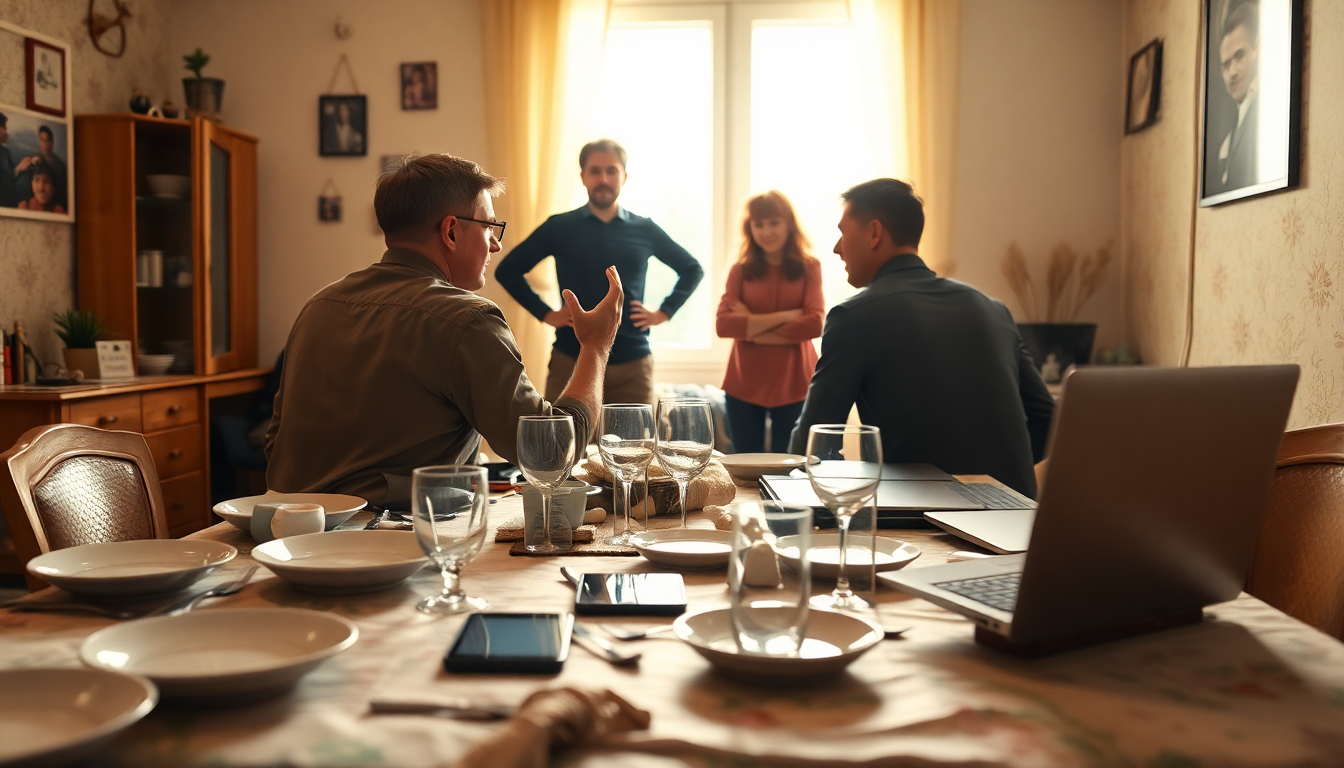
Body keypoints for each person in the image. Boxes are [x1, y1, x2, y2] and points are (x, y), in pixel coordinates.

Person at [265, 154, 623, 508]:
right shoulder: (467, 318)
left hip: (280, 530)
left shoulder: (319, 305)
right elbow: (551, 455)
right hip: (384, 537)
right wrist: (595, 347)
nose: (495, 245)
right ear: (451, 231)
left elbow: (276, 442)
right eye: (488, 228)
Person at [789, 179, 1054, 498]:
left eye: (843, 232)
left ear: (875, 233)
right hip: (1017, 519)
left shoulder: (853, 317)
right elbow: (1047, 419)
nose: (836, 247)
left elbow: (812, 445)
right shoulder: (994, 310)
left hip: (925, 521)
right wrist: (1001, 481)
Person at [495, 139, 704, 406]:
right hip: (571, 360)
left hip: (632, 364)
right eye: (594, 171)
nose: (603, 178)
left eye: (612, 171)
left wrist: (664, 312)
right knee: (561, 445)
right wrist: (545, 313)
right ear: (583, 177)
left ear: (624, 176)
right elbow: (508, 270)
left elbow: (691, 268)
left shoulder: (645, 229)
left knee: (634, 446)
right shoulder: (559, 227)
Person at [715, 191, 824, 454]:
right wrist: (789, 315)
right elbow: (723, 326)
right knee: (744, 468)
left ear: (789, 223)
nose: (766, 231)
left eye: (774, 222)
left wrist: (750, 327)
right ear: (749, 229)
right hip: (743, 384)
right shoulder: (739, 270)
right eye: (759, 224)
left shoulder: (810, 267)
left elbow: (815, 325)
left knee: (789, 469)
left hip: (795, 382)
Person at [1215, 2, 1260, 192]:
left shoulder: (1266, 112)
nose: (1232, 72)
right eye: (1225, 65)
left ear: (1256, 48)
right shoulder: (1231, 128)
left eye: (1239, 56)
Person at [16, 125, 67, 210]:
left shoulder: (60, 166)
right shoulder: (35, 159)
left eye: (47, 141)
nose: (44, 144)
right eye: (42, 140)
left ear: (52, 142)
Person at [0, 113, 17, 208]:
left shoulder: (6, 152)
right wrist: (18, 169)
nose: (6, 132)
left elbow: (13, 174)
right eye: (4, 127)